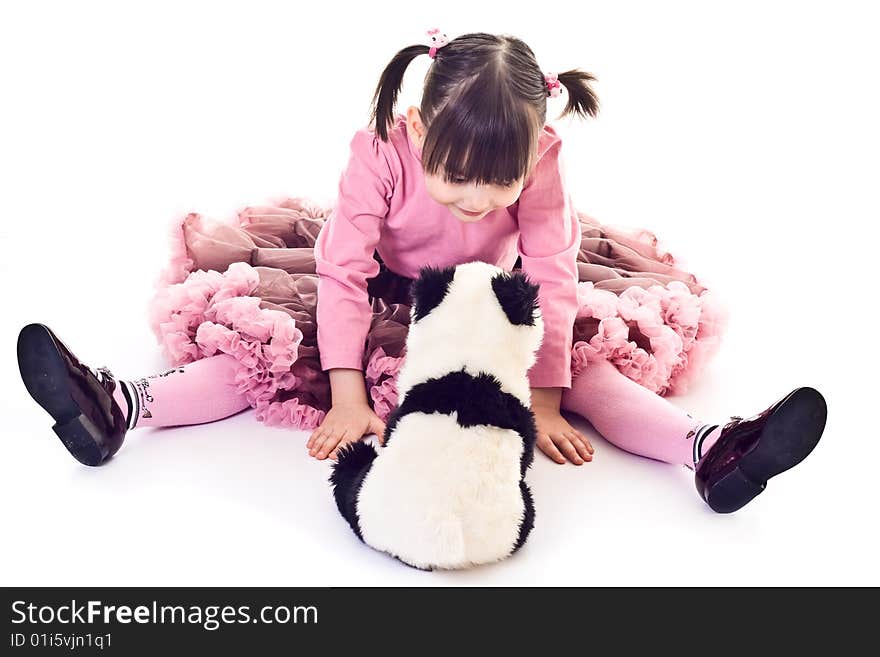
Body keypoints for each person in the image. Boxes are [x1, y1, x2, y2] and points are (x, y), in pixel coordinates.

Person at [17, 31, 827, 513]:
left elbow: (550, 274)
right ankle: (122, 403)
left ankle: (710, 449)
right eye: (453, 177)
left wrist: (542, 398)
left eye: (495, 184)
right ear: (417, 123)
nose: (475, 202)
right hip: (373, 288)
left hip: (490, 298)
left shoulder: (543, 161)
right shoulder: (378, 150)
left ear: (536, 148)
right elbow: (339, 271)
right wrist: (344, 390)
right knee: (266, 356)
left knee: (588, 366)